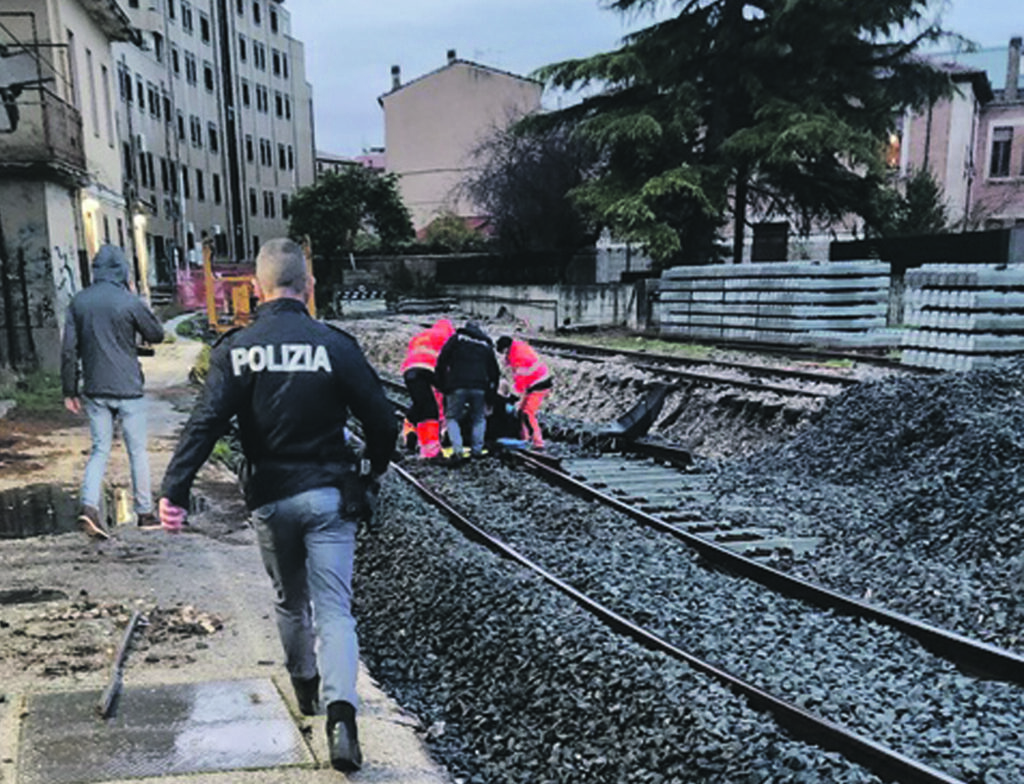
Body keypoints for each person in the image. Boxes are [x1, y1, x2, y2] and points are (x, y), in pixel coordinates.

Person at [158, 238, 397, 773]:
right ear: (308, 287)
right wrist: (372, 470)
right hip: (331, 494)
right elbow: (383, 421)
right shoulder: (334, 345)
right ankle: (342, 719)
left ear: (256, 288)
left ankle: (305, 688)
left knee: (291, 601)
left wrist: (175, 490)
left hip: (271, 496)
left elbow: (206, 423)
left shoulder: (237, 349)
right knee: (335, 609)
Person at [60, 244, 165, 538]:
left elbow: (69, 350)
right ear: (123, 270)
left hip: (95, 389)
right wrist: (136, 299)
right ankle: (145, 513)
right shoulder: (128, 301)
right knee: (137, 451)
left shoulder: (79, 302)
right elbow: (156, 334)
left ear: (95, 270)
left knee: (100, 449)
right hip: (129, 388)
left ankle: (89, 507)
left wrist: (69, 390)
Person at [434, 320, 499, 463]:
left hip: (456, 385)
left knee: (452, 418)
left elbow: (441, 361)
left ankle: (458, 450)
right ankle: (477, 450)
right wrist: (491, 395)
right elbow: (494, 372)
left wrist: (442, 385)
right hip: (480, 387)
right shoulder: (486, 345)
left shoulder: (456, 340)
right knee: (479, 418)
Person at [399, 318, 454, 459]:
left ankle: (410, 427)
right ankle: (430, 448)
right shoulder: (447, 337)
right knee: (430, 410)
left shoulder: (420, 336)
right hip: (430, 369)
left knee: (422, 401)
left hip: (409, 370)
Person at [496, 335, 552, 449]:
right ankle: (524, 438)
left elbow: (520, 382)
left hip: (539, 384)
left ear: (506, 349)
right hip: (537, 381)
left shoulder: (518, 357)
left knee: (528, 413)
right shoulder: (518, 347)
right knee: (521, 412)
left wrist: (515, 398)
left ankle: (538, 442)